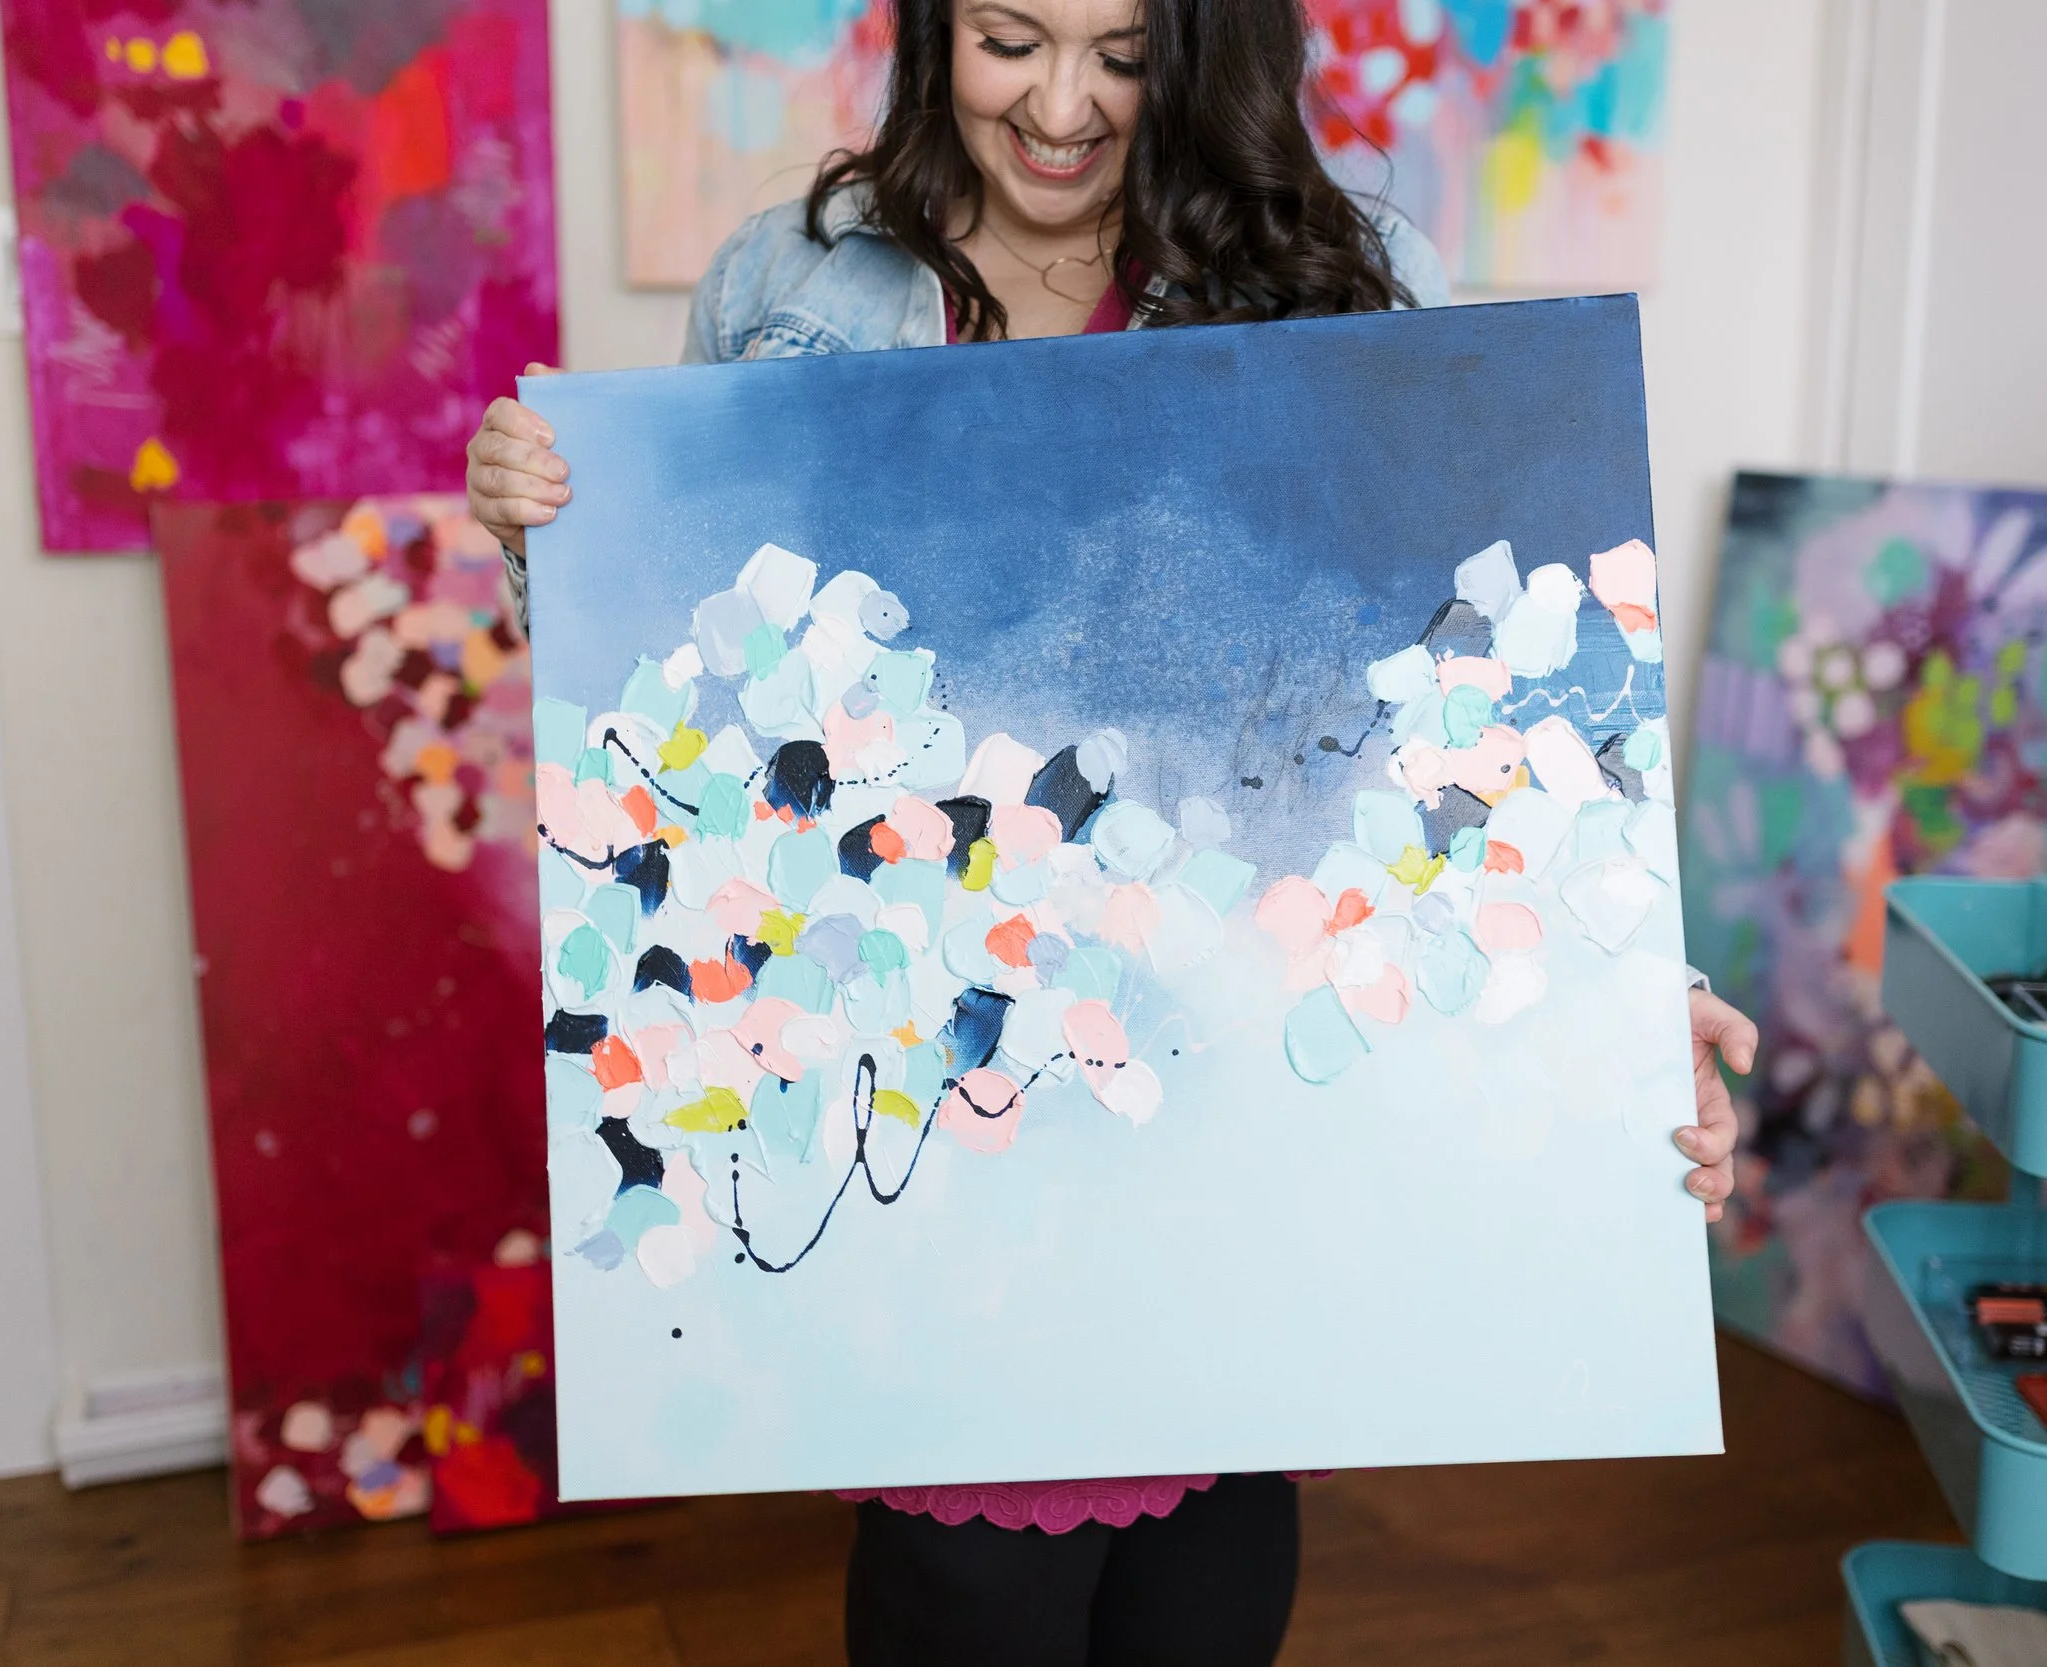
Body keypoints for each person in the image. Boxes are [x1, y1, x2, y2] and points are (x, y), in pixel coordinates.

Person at [469, 0, 1758, 1659]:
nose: (1063, 105)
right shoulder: (792, 288)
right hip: (944, 1135)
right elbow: (684, 708)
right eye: (1011, 38)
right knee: (970, 1598)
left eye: (1124, 52)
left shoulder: (1343, 273)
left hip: (1231, 1123)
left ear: (1203, 52)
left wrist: (1629, 1002)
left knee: (1203, 1605)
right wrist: (544, 532)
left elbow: (1475, 716)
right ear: (938, 32)